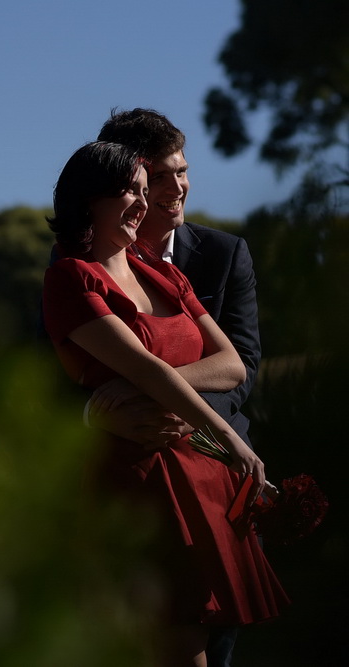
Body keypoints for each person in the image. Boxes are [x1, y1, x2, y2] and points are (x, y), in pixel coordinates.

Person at [42, 141, 287, 667]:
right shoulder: (71, 276)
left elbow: (232, 363)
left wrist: (149, 387)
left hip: (207, 487)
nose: (142, 200)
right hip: (144, 485)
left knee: (211, 650)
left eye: (141, 188)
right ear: (89, 200)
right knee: (177, 650)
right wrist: (230, 439)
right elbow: (142, 366)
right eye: (129, 190)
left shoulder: (163, 273)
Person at [92, 108, 261, 667]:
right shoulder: (78, 269)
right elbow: (61, 374)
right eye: (157, 176)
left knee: (219, 646)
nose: (175, 188)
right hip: (132, 491)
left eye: (181, 171)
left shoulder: (223, 255)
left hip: (220, 481)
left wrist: (160, 393)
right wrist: (97, 412)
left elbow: (243, 366)